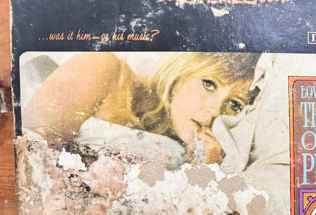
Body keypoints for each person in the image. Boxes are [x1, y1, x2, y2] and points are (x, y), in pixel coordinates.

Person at [23, 51, 260, 164]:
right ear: (181, 73)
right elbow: (29, 156)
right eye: (209, 84)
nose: (215, 111)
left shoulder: (209, 153)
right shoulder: (105, 69)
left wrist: (205, 167)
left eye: (234, 104)